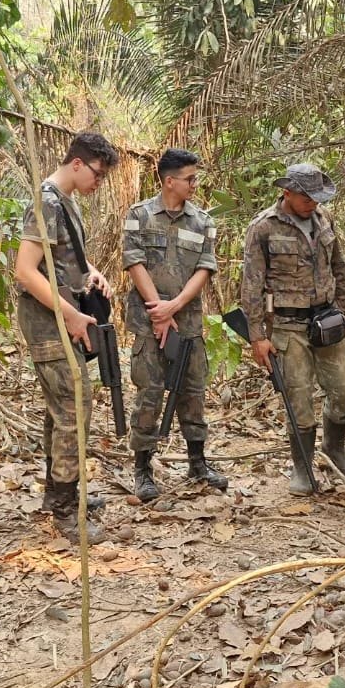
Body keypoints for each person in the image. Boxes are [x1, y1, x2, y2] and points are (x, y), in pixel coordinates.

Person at [14, 131, 118, 542]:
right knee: (75, 403)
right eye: (98, 173)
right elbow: (25, 270)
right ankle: (64, 510)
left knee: (62, 407)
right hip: (48, 319)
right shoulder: (45, 201)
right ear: (77, 163)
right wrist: (72, 314)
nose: (99, 182)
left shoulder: (65, 202)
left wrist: (91, 272)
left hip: (63, 312)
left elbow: (63, 257)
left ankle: (58, 492)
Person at [240, 163, 345, 494]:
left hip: (327, 320)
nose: (312, 204)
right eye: (306, 197)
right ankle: (303, 466)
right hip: (286, 325)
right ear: (287, 193)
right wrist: (257, 337)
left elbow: (340, 266)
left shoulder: (325, 220)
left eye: (317, 198)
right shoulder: (263, 228)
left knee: (343, 390)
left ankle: (335, 448)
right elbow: (250, 286)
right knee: (299, 399)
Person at [123, 148, 227, 500]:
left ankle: (198, 462)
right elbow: (134, 262)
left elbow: (205, 268)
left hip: (188, 322)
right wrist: (158, 311)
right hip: (148, 323)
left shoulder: (203, 221)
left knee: (193, 392)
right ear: (169, 181)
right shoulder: (139, 215)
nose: (195, 184)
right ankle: (142, 468)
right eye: (190, 178)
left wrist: (175, 307)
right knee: (149, 392)